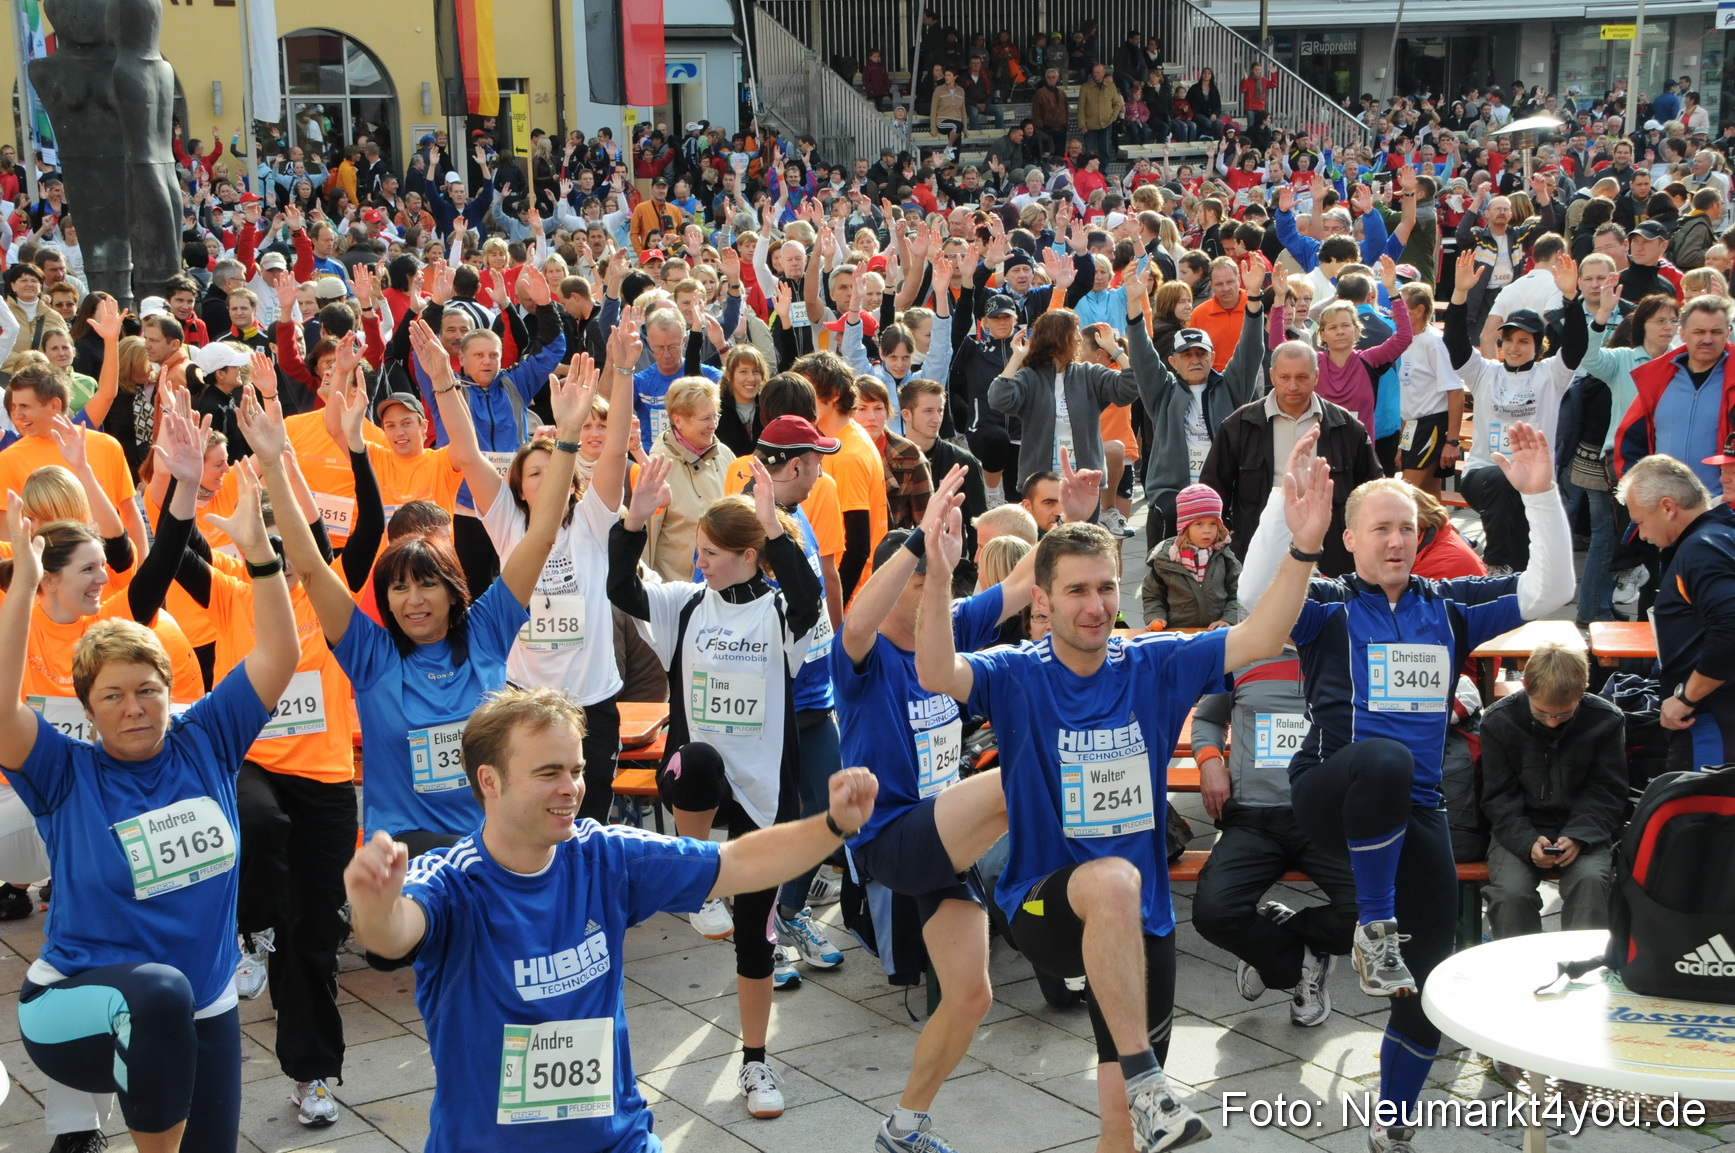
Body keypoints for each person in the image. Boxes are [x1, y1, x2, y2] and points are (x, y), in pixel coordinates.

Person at [913, 431, 1334, 1152]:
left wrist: (1302, 546)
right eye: (1075, 590)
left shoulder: (1155, 661)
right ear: (1042, 599)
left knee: (1122, 1122)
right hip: (1047, 903)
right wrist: (935, 575)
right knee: (1109, 879)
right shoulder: (1018, 671)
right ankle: (1147, 1081)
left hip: (1141, 922)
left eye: (1105, 587)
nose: (1094, 605)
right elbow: (934, 673)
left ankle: (1138, 1089)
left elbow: (1263, 632)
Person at [343, 686, 880, 1151]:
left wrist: (833, 825)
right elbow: (393, 935)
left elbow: (737, 863)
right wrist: (373, 903)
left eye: (576, 770)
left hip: (616, 1141)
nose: (571, 788)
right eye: (548, 772)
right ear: (490, 780)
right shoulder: (452, 879)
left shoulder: (605, 854)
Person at [1236, 424, 1575, 1152]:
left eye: (1405, 528)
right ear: (1349, 540)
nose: (1394, 540)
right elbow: (1249, 591)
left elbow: (1552, 589)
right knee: (1384, 759)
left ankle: (1391, 1125)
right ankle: (1372, 928)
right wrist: (1283, 504)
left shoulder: (1446, 605)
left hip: (1415, 810)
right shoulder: (1325, 601)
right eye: (1378, 528)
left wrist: (1541, 495)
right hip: (1330, 792)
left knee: (1429, 990)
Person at [1, 420, 301, 1153]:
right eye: (110, 696)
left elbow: (279, 652)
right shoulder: (65, 770)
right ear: (89, 707)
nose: (132, 707)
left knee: (188, 1035)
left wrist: (259, 554)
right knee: (160, 990)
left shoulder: (206, 739)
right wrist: (24, 588)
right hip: (73, 1005)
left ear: (171, 691)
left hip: (204, 1006)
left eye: (146, 690)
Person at [242, 357, 591, 858]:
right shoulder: (369, 652)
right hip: (408, 851)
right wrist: (275, 465)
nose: (414, 600)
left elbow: (538, 537)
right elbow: (314, 568)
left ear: (453, 589)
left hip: (493, 841)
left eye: (426, 585)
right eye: (398, 589)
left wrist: (570, 436)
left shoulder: (486, 630)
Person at [836, 465, 1050, 1152]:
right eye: (919, 581)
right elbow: (856, 619)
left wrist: (1062, 521)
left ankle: (903, 1126)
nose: (932, 594)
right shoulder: (862, 654)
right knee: (1022, 774)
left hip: (941, 836)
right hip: (890, 834)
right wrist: (917, 543)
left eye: (938, 581)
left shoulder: (945, 624)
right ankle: (1061, 884)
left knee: (971, 995)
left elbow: (1019, 584)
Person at [607, 453, 825, 1120]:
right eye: (696, 550)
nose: (699, 562)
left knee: (756, 939)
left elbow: (809, 594)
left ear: (748, 554)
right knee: (694, 758)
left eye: (710, 552)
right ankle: (700, 879)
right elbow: (622, 585)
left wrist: (774, 527)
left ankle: (756, 1064)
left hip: (765, 794)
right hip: (697, 780)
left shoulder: (782, 611)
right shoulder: (685, 603)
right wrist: (633, 520)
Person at [420, 315, 635, 827]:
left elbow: (618, 444)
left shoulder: (592, 516)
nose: (546, 477)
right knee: (529, 820)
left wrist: (622, 373)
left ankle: (586, 906)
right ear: (518, 488)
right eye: (534, 472)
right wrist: (443, 382)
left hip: (592, 701)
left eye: (553, 469)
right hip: (523, 700)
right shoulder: (506, 522)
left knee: (589, 822)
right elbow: (467, 451)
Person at [1189, 644, 1355, 1027]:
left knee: (1369, 916)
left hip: (1326, 818)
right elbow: (1207, 718)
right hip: (1254, 817)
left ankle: (1282, 933)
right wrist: (1210, 762)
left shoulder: (1347, 652)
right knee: (1214, 912)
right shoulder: (1243, 652)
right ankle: (1297, 966)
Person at [1445, 252, 1585, 573]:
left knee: (1522, 531)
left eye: (1524, 340)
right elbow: (1454, 343)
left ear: (1539, 346)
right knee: (1504, 479)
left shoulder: (1551, 374)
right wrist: (1459, 294)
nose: (1514, 347)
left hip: (1534, 481)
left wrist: (1571, 299)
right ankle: (1496, 564)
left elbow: (1576, 345)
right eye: (1508, 339)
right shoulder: (1485, 372)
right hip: (1484, 474)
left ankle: (1516, 578)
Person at [1478, 642, 1627, 939]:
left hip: (1585, 827)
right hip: (1518, 826)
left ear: (1582, 692)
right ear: (1525, 687)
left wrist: (1580, 836)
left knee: (1591, 884)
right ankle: (1521, 973)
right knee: (1510, 895)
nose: (1552, 722)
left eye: (1564, 715)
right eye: (1542, 713)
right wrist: (1526, 841)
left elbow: (1607, 791)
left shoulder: (1606, 720)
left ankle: (1584, 970)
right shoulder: (1499, 721)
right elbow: (1498, 796)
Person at [1201, 342, 1381, 578]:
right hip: (1259, 547)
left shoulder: (1346, 427)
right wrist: (1227, 536)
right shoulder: (1240, 425)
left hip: (1330, 551)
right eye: (1285, 377)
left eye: (1302, 377)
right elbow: (1213, 488)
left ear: (1316, 376)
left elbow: (1371, 489)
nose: (1293, 386)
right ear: (1272, 376)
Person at [1618, 454, 1735, 771]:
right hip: (1713, 714)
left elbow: (1729, 631)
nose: (1640, 535)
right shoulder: (1719, 535)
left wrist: (1685, 698)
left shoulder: (1702, 549)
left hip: (1711, 719)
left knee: (1703, 818)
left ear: (1668, 507)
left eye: (1640, 521)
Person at [1614, 294, 1735, 494]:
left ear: (1727, 333)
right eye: (1699, 331)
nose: (1707, 339)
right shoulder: (1659, 380)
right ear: (1683, 333)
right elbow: (1630, 441)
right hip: (1663, 505)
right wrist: (1636, 491)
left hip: (1721, 508)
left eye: (1716, 331)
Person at [1141, 484, 1242, 631]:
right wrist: (1156, 616)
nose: (1207, 531)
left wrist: (1229, 618)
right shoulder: (1166, 559)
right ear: (1184, 527)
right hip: (1178, 633)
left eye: (1213, 524)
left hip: (1216, 633)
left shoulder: (1225, 557)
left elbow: (1239, 593)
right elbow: (1152, 595)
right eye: (1199, 524)